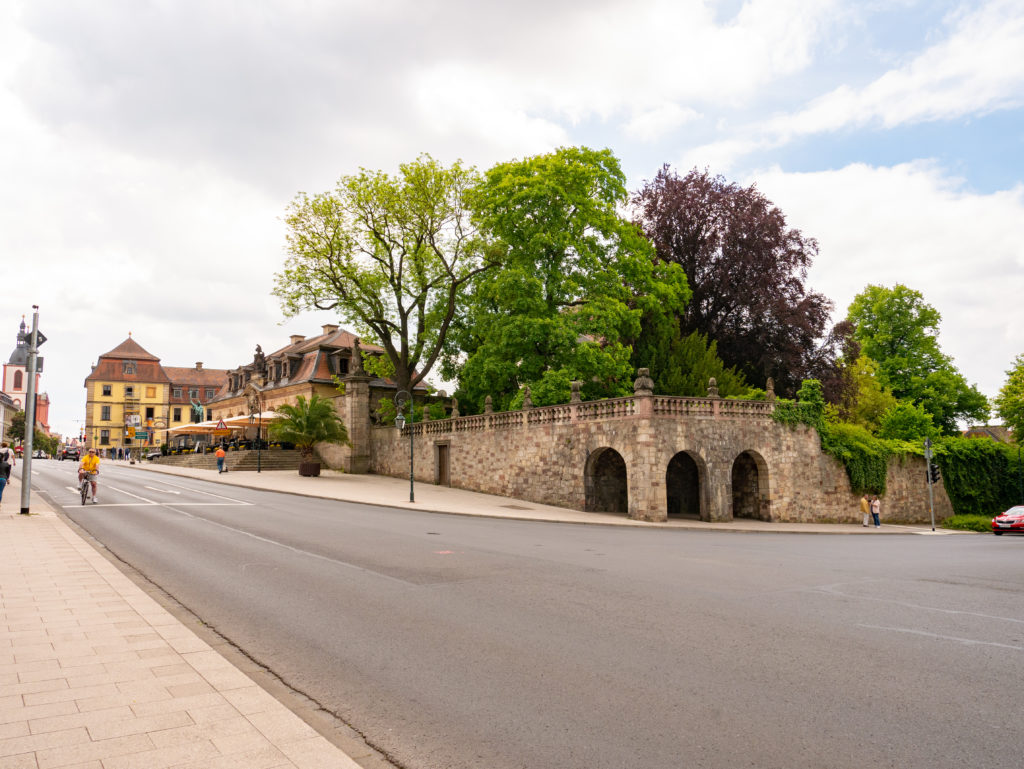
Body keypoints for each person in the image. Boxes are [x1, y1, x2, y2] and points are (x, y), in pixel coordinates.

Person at [0, 442, 14, 507]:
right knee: (0, 492)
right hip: (8, 463)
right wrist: (14, 461)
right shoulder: (10, 450)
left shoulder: (0, 450)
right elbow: (13, 456)